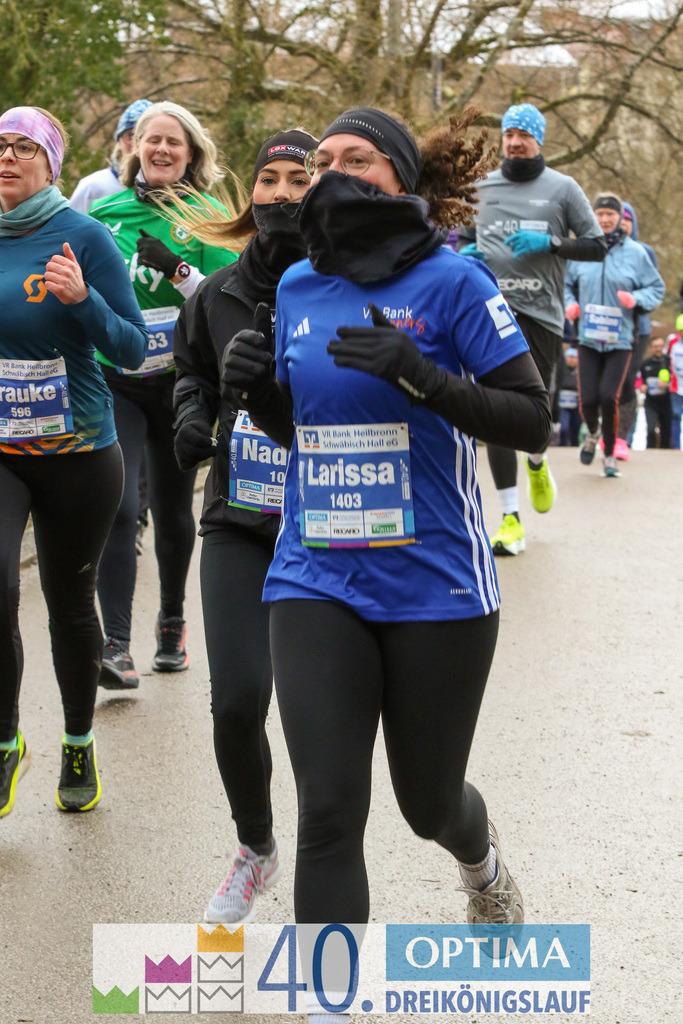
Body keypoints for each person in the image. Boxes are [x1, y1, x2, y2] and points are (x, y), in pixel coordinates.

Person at [222, 107, 551, 1019]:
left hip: (435, 584)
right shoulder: (298, 283)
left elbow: (531, 420)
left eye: (355, 158)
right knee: (328, 812)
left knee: (426, 803)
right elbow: (304, 431)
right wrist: (258, 397)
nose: (331, 172)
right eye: (321, 160)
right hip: (315, 575)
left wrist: (424, 377)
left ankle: (480, 864)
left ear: (400, 178)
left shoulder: (454, 281)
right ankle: (329, 1001)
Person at [172, 128, 317, 924]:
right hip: (237, 517)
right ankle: (254, 849)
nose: (283, 192)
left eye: (300, 178)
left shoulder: (344, 286)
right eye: (269, 178)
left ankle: (330, 865)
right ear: (251, 194)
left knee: (316, 716)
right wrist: (191, 418)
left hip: (327, 525)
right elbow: (189, 371)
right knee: (235, 702)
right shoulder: (216, 293)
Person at [0, 106, 146, 817]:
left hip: (79, 454)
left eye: (22, 147)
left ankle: (78, 740)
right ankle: (5, 742)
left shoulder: (84, 237)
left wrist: (83, 301)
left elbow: (132, 348)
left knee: (67, 604)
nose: (6, 157)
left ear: (51, 163)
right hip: (2, 451)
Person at [88, 101, 236, 689]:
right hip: (117, 380)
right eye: (152, 139)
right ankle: (116, 646)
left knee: (174, 511)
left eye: (175, 141)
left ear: (192, 153)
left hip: (182, 385)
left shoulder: (210, 216)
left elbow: (226, 304)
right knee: (119, 505)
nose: (162, 149)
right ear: (134, 148)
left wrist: (178, 271)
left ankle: (171, 622)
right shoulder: (105, 215)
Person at [458, 102, 606, 556]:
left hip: (542, 315)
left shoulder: (563, 189)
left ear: (538, 139)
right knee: (497, 410)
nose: (515, 142)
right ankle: (510, 519)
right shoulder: (482, 186)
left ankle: (537, 461)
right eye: (509, 134)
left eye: (524, 134)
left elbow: (598, 245)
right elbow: (465, 238)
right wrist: (466, 255)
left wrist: (551, 243)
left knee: (533, 415)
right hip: (492, 308)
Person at [565, 193, 665, 477]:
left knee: (609, 396)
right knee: (588, 399)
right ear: (593, 216)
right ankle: (592, 433)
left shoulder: (636, 253)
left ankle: (609, 455)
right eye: (600, 214)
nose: (605, 219)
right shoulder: (583, 249)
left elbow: (656, 288)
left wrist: (636, 299)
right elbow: (565, 284)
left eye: (611, 214)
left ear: (620, 218)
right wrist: (570, 304)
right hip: (587, 337)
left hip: (620, 339)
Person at [615, 202, 660, 456]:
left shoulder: (644, 252)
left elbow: (654, 289)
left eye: (627, 220)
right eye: (619, 218)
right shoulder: (603, 250)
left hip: (638, 327)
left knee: (628, 378)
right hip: (608, 327)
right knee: (608, 382)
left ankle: (622, 437)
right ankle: (606, 431)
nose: (623, 224)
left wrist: (635, 299)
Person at [70, 99, 152, 213]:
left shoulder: (169, 193)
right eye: (130, 135)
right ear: (119, 141)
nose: (137, 144)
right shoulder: (93, 187)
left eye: (146, 137)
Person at [640, 337, 672, 449]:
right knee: (651, 429)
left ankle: (665, 453)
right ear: (651, 348)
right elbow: (639, 380)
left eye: (660, 346)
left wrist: (668, 384)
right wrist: (642, 386)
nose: (658, 349)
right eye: (655, 346)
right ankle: (650, 451)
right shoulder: (645, 363)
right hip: (651, 402)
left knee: (666, 430)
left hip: (666, 401)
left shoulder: (669, 362)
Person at [558, 347, 582, 446]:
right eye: (570, 357)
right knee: (564, 427)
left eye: (574, 357)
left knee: (576, 428)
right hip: (563, 405)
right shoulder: (561, 370)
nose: (572, 359)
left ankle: (574, 446)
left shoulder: (581, 371)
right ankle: (562, 445)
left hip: (577, 405)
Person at [667, 316, 683, 448]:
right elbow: (666, 358)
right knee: (676, 415)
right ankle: (675, 446)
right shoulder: (672, 341)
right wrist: (665, 374)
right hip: (676, 386)